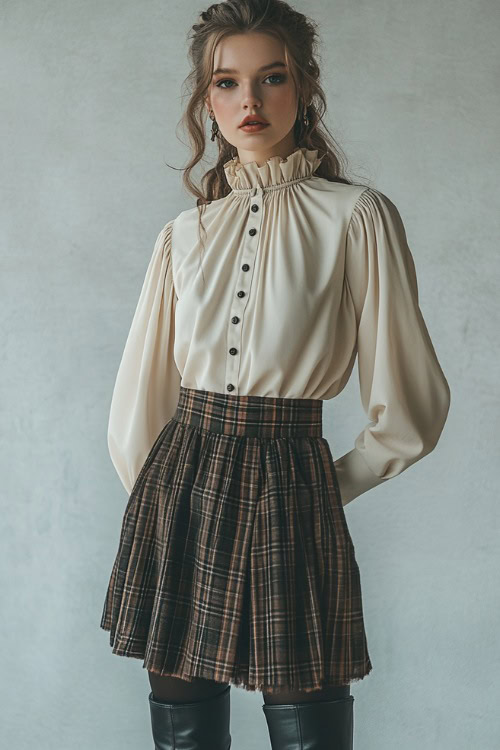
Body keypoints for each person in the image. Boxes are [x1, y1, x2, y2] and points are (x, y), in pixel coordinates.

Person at [99, 1, 451, 748]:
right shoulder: (183, 235)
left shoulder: (357, 217)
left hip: (291, 479)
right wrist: (162, 499)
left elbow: (409, 400)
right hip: (179, 485)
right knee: (180, 709)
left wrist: (326, 485)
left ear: (305, 87)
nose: (248, 102)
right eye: (226, 83)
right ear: (206, 100)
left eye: (272, 78)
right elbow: (141, 395)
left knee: (307, 708)